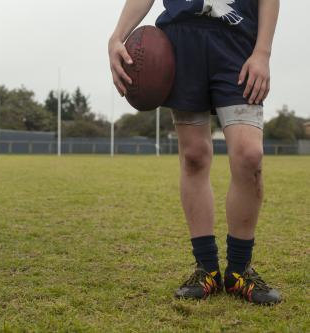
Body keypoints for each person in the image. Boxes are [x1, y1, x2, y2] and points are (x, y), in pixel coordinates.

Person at [108, 0, 281, 305]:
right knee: (194, 156)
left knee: (249, 155)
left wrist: (263, 52)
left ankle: (240, 269)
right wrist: (117, 36)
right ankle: (207, 269)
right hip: (181, 43)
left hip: (236, 41)